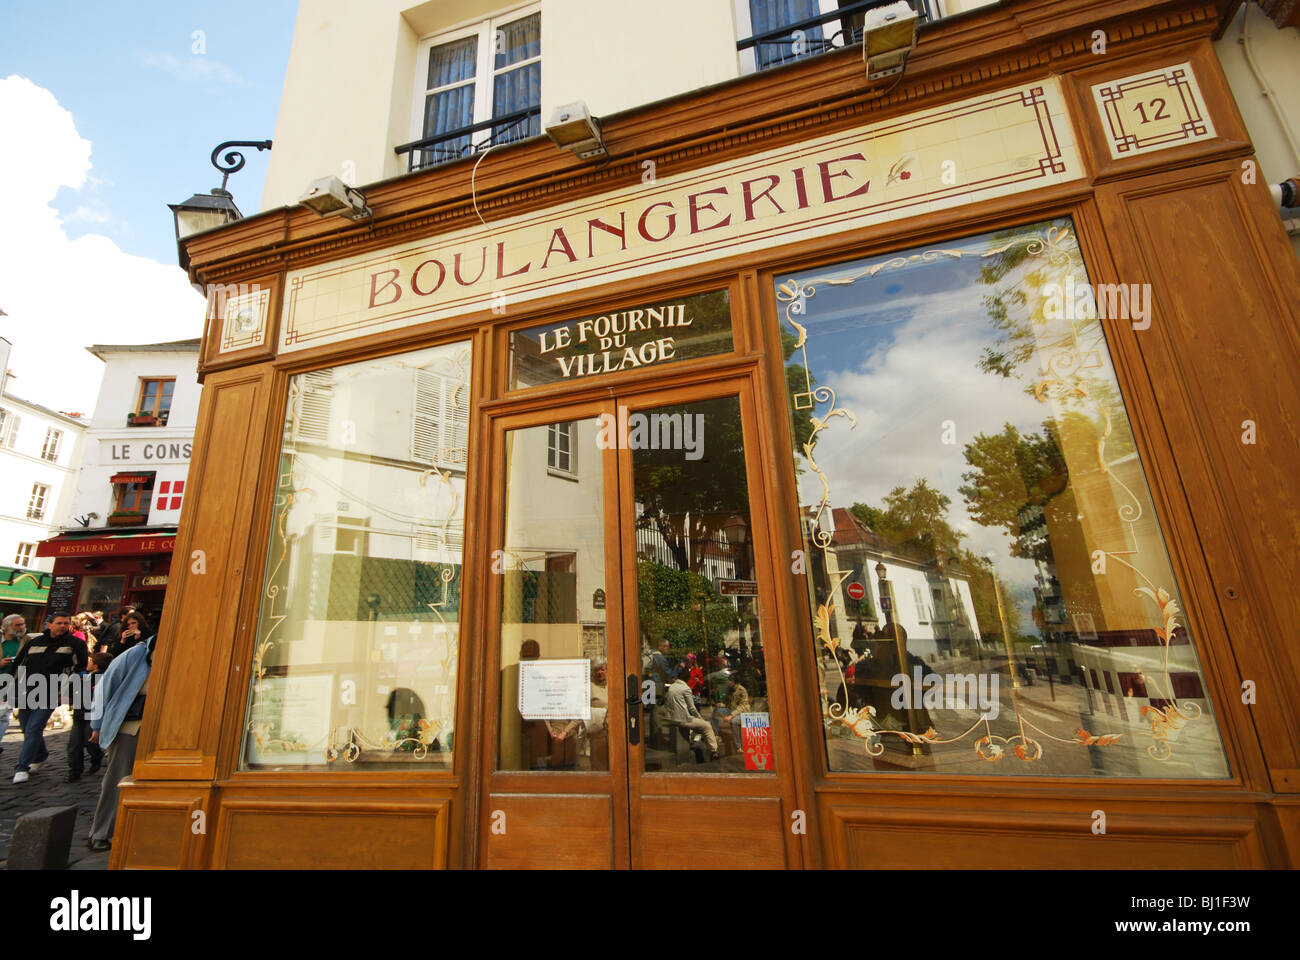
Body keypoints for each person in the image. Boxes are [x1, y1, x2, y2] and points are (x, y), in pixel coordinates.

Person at [88, 632, 155, 851]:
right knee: (118, 778)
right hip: (131, 727)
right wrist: (97, 726)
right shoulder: (135, 655)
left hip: (162, 730)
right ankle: (102, 832)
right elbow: (105, 689)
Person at [10, 614, 88, 783]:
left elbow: (79, 669)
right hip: (28, 690)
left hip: (52, 691)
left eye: (66, 623)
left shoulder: (76, 644)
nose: (63, 626)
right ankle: (40, 754)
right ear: (50, 624)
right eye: (59, 623)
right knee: (26, 726)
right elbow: (19, 665)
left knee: (34, 727)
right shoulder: (34, 642)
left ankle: (22, 767)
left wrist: (67, 693)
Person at [67, 651, 110, 781]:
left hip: (91, 716)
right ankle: (74, 771)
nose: (88, 663)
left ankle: (95, 758)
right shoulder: (84, 676)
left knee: (88, 742)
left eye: (91, 661)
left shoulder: (102, 678)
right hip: (80, 715)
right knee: (74, 744)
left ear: (96, 665)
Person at [664, 674, 719, 760]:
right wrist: (701, 718)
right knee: (707, 726)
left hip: (671, 718)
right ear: (688, 680)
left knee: (695, 723)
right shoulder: (686, 688)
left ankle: (691, 740)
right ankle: (714, 751)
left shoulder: (672, 687)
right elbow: (692, 708)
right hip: (682, 720)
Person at [0, 613, 28, 758]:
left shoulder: (26, 641)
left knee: (4, 715)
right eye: (18, 625)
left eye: (23, 624)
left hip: (13, 681)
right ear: (6, 627)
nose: (22, 628)